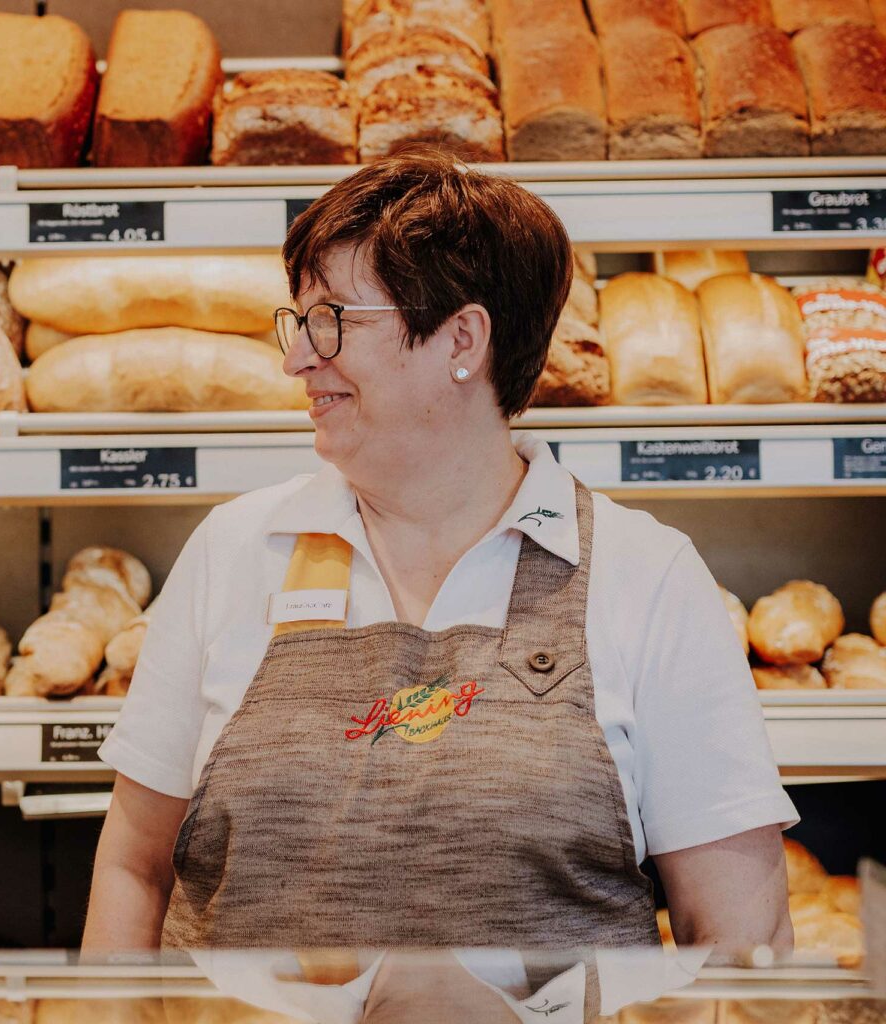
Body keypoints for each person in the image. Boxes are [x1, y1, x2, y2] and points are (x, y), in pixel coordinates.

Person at [84, 152, 798, 957]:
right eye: (298, 321)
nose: (295, 360)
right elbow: (134, 870)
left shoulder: (648, 576)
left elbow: (741, 937)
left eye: (333, 321)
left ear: (463, 337)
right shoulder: (235, 551)